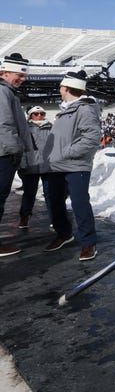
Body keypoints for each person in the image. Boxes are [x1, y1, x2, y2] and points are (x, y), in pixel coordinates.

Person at [42, 70, 102, 261]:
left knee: (79, 203)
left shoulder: (84, 109)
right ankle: (64, 233)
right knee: (54, 201)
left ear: (66, 88)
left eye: (60, 85)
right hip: (57, 166)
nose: (59, 88)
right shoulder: (64, 111)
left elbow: (92, 138)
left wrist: (67, 153)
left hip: (76, 166)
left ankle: (88, 243)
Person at [0, 53, 33, 256]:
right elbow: (4, 124)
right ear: (4, 72)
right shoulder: (3, 92)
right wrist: (15, 150)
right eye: (18, 74)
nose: (22, 79)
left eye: (24, 76)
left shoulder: (8, 92)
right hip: (4, 153)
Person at [17, 106, 53, 229]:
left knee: (50, 194)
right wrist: (22, 164)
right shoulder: (24, 128)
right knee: (29, 193)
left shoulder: (51, 127)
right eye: (36, 114)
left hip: (47, 166)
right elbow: (20, 147)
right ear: (30, 115)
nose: (39, 116)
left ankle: (55, 218)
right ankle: (24, 216)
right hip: (31, 166)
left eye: (42, 113)